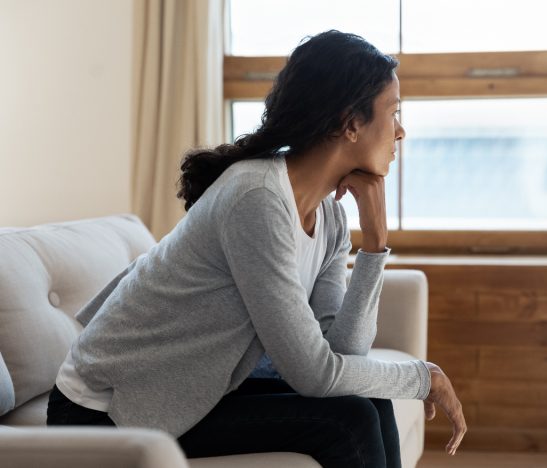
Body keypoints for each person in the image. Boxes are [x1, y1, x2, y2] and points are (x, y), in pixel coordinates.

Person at [47, 30, 466, 467]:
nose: (400, 131)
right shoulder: (257, 198)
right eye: (393, 112)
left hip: (191, 390)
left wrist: (375, 245)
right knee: (350, 420)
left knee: (371, 403)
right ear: (351, 122)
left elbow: (344, 355)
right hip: (105, 410)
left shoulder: (330, 216)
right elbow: (314, 373)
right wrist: (423, 378)